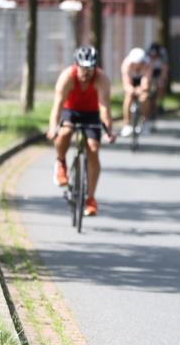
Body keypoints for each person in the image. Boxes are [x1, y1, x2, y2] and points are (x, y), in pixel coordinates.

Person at [47, 46, 114, 217]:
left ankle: (91, 199)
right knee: (65, 132)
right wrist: (53, 128)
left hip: (92, 114)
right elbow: (57, 106)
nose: (86, 73)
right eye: (83, 69)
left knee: (93, 148)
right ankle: (61, 163)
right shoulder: (66, 77)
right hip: (71, 111)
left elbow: (104, 108)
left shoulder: (102, 79)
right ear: (76, 65)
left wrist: (109, 131)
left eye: (90, 69)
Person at [119, 47, 152, 138]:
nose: (137, 66)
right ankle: (127, 124)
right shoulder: (126, 65)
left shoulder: (148, 64)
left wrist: (142, 89)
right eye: (135, 63)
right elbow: (126, 84)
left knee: (144, 97)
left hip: (142, 82)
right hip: (131, 82)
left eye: (140, 63)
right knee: (128, 96)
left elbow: (146, 82)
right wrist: (132, 90)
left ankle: (145, 121)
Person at [146, 42, 170, 120]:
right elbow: (147, 69)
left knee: (160, 87)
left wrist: (162, 80)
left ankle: (160, 103)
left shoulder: (163, 56)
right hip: (150, 70)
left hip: (159, 71)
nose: (154, 57)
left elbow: (164, 69)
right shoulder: (147, 55)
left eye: (155, 56)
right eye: (152, 55)